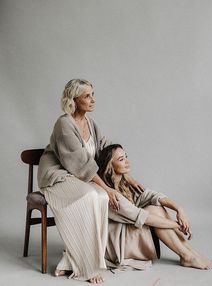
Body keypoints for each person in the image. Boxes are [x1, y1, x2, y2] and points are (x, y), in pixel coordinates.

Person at [37, 79, 138, 283]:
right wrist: (108, 190)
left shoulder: (91, 123)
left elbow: (106, 150)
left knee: (100, 198)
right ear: (74, 100)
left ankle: (78, 259)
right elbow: (81, 163)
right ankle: (86, 267)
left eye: (93, 94)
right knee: (93, 195)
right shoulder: (64, 123)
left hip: (77, 177)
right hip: (58, 176)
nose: (93, 100)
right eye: (87, 96)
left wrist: (126, 175)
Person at [97, 144, 212, 271]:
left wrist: (179, 209)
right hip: (119, 244)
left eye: (126, 157)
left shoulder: (124, 182)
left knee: (156, 208)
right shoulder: (109, 195)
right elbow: (143, 217)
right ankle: (187, 256)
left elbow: (150, 195)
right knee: (151, 211)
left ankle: (190, 253)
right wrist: (177, 225)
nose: (127, 161)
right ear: (110, 166)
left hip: (129, 233)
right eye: (121, 159)